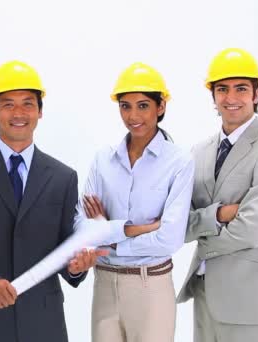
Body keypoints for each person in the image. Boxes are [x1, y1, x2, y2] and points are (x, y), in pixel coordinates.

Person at [0, 60, 105, 342]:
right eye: (8, 104)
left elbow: (65, 246)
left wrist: (76, 266)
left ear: (40, 111)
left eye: (28, 104)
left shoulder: (63, 177)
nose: (19, 113)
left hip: (42, 323)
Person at [177, 48, 258, 342]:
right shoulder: (199, 152)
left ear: (256, 94)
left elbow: (252, 230)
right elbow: (178, 223)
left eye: (241, 88)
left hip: (252, 305)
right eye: (222, 89)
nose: (231, 98)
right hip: (205, 298)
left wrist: (202, 239)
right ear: (213, 96)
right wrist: (219, 215)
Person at [75, 62, 194, 342]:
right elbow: (82, 227)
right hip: (104, 284)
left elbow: (169, 238)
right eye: (125, 106)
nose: (133, 115)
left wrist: (109, 237)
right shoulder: (103, 160)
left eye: (142, 106)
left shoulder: (178, 162)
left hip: (150, 286)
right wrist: (135, 229)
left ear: (160, 107)